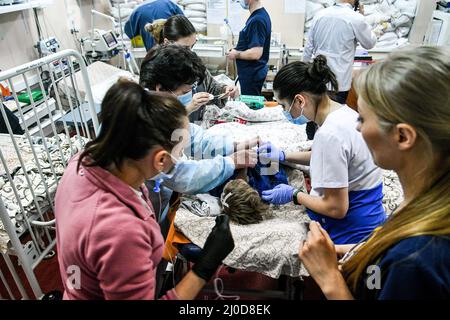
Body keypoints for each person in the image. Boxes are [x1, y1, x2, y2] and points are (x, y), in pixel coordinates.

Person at [55, 79, 235, 299]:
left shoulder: (83, 163)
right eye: (180, 151)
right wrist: (205, 265)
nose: (181, 156)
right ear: (161, 160)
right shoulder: (120, 231)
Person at [298, 46, 450, 300]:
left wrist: (329, 278)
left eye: (364, 119)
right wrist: (341, 251)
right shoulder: (425, 203)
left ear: (402, 136)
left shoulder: (413, 261)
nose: (358, 129)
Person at [258, 55, 385, 245]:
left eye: (284, 106)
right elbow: (329, 157)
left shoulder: (330, 134)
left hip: (350, 229)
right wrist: (284, 155)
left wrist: (294, 195)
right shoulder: (344, 114)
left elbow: (336, 208)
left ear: (300, 101)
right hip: (370, 215)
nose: (285, 112)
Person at [139, 45, 258, 196]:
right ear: (160, 89)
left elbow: (194, 139)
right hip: (145, 205)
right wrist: (231, 162)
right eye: (185, 92)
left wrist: (234, 146)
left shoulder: (160, 109)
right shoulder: (143, 124)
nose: (189, 96)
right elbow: (181, 176)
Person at [146, 15, 238, 122]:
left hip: (194, 129)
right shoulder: (155, 71)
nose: (189, 52)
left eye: (192, 46)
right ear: (167, 43)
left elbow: (211, 87)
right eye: (185, 48)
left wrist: (225, 90)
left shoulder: (193, 63)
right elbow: (155, 121)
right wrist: (189, 108)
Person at [303, 0, 377, 104]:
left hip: (317, 78)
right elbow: (369, 43)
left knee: (316, 114)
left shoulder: (320, 14)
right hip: (339, 82)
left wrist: (303, 76)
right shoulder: (356, 18)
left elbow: (308, 48)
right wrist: (363, 19)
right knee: (335, 115)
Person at [226, 0, 271, 96]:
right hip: (251, 74)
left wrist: (235, 54)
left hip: (252, 74)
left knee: (250, 108)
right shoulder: (258, 16)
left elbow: (256, 53)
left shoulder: (257, 20)